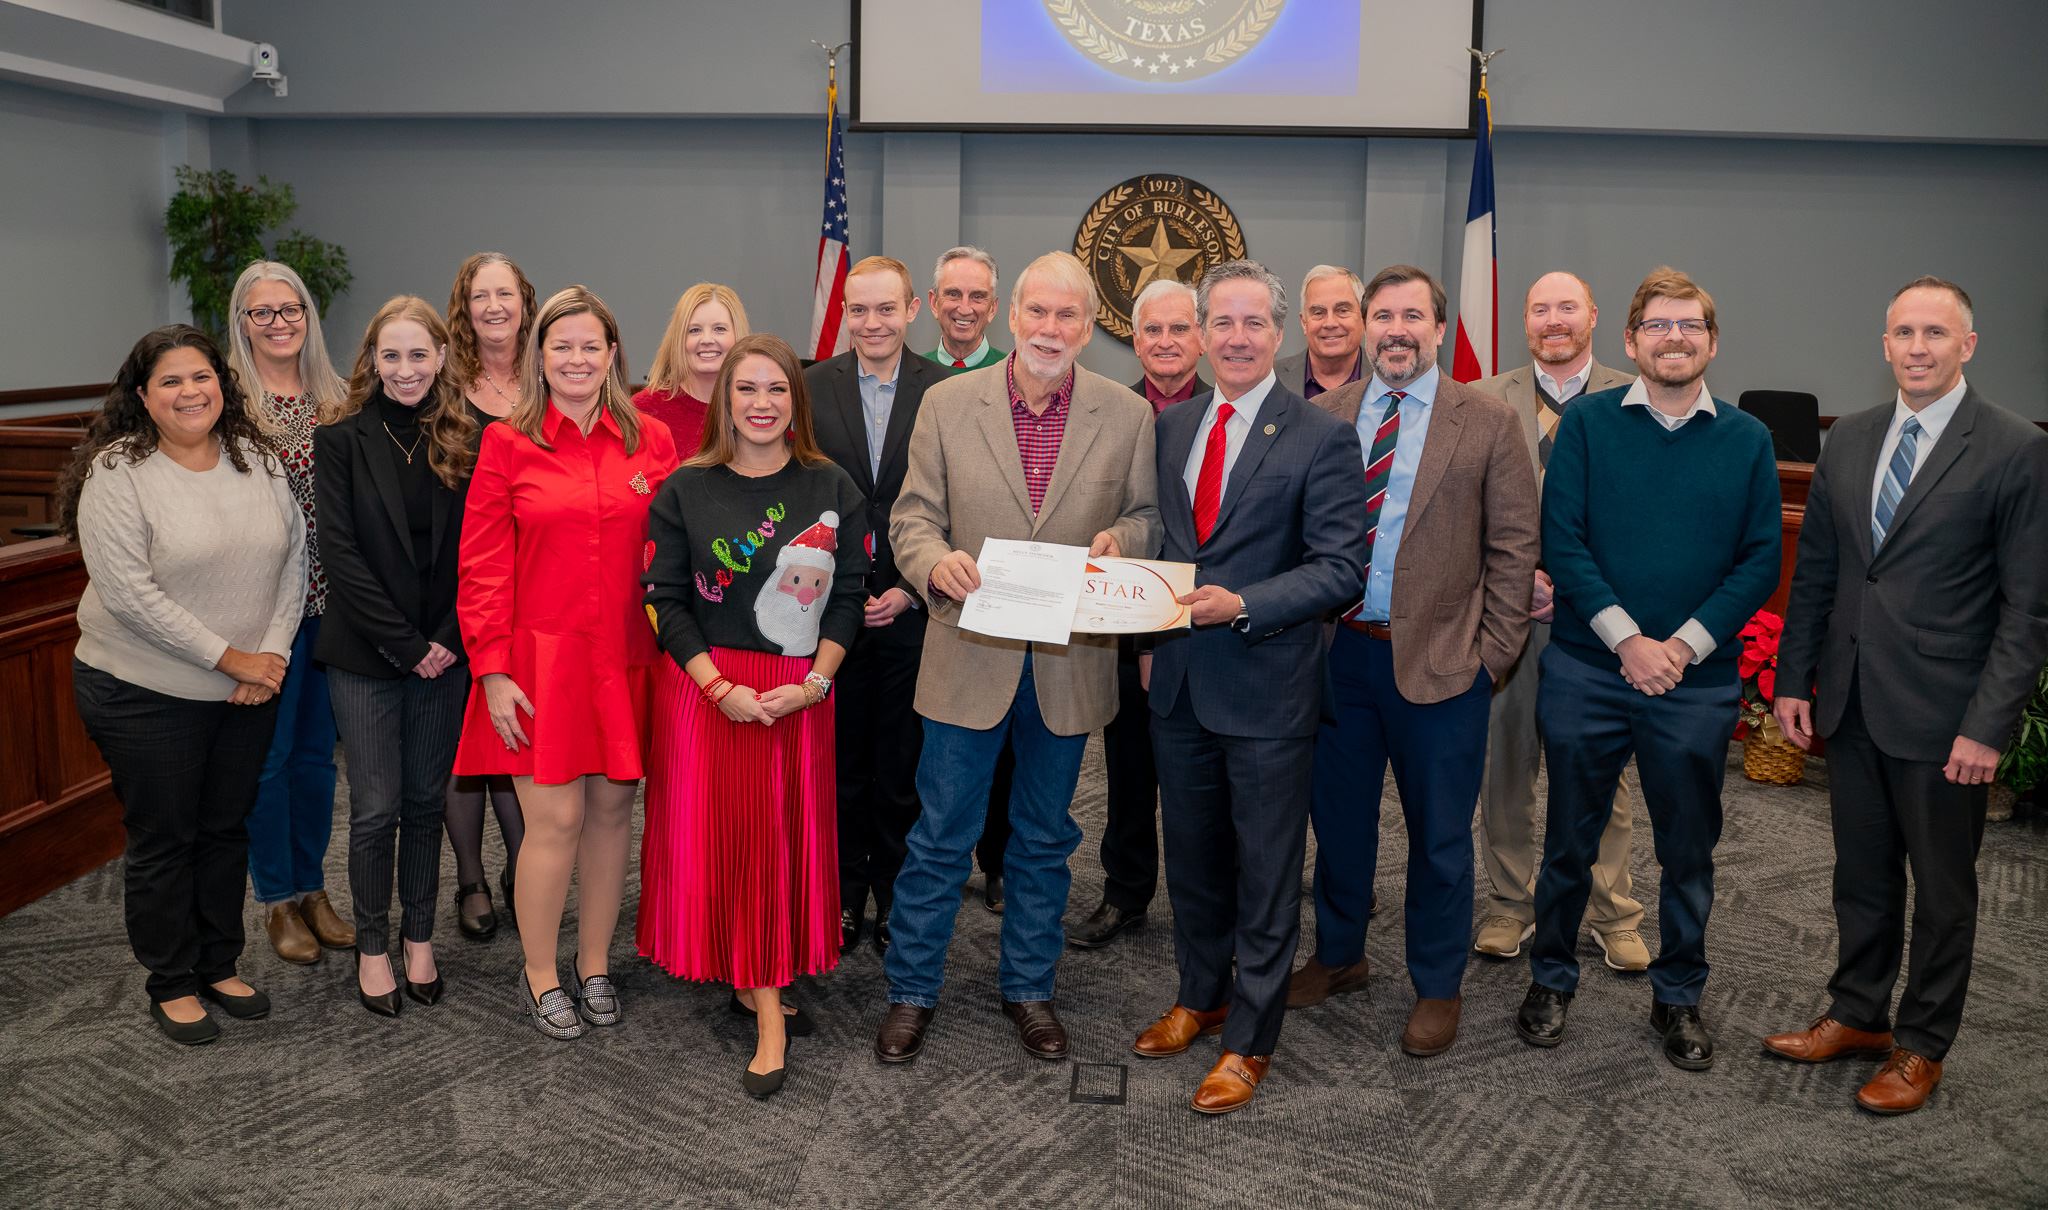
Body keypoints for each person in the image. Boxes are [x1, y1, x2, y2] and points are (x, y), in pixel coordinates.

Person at [1766, 277, 2048, 1114]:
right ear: (1884, 344)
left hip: (1946, 720)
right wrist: (1793, 680)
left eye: (1934, 332)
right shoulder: (1851, 438)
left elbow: (2027, 606)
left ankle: (1923, 1043)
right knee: (1860, 875)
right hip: (1851, 703)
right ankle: (1859, 1013)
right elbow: (1816, 571)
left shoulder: (2013, 447)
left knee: (1944, 889)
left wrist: (1988, 727)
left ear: (1967, 345)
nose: (1917, 347)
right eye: (1902, 332)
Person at [876, 251, 1160, 1064]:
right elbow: (913, 518)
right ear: (1013, 317)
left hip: (1069, 671)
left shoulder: (1124, 414)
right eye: (1037, 312)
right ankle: (911, 990)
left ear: (1087, 327)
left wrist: (1122, 544)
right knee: (939, 836)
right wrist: (932, 562)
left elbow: (1146, 519)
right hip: (968, 655)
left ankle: (1030, 987)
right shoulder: (946, 403)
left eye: (1067, 316)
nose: (1050, 329)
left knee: (1044, 838)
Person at [1515, 268, 1780, 1072]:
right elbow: (1563, 542)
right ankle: (1552, 977)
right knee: (1569, 839)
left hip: (1695, 682)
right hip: (1590, 668)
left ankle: (1679, 996)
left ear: (1711, 342)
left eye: (1689, 327)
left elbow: (1761, 558)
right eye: (1658, 327)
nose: (1673, 339)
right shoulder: (1589, 425)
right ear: (1631, 342)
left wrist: (1684, 646)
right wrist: (1630, 642)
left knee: (1689, 848)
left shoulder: (1747, 439)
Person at [1132, 258, 1368, 1114]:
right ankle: (1203, 996)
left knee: (1267, 873)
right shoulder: (1173, 425)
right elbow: (1163, 534)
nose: (1235, 338)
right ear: (1199, 334)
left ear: (1280, 334)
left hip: (1269, 689)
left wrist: (1246, 604)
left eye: (1253, 324)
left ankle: (1251, 1040)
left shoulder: (1320, 436)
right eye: (1219, 323)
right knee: (1191, 863)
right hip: (1180, 686)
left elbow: (1342, 569)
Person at [61, 325, 307, 1045]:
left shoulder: (255, 457)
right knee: (165, 837)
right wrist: (232, 658)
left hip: (249, 689)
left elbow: (292, 560)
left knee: (224, 828)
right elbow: (129, 593)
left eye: (200, 377)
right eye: (169, 381)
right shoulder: (119, 473)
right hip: (143, 691)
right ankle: (171, 979)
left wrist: (270, 655)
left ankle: (217, 961)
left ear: (221, 385)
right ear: (142, 397)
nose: (188, 392)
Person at [643, 333, 869, 1099]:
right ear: (724, 400)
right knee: (730, 841)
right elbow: (664, 601)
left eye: (777, 389)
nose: (762, 403)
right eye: (747, 389)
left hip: (798, 694)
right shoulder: (684, 488)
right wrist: (718, 689)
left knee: (776, 845)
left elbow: (849, 595)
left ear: (794, 401)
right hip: (713, 694)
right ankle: (766, 1008)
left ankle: (758, 984)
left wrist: (814, 684)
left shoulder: (830, 485)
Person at [453, 286, 680, 1040]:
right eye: (562, 346)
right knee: (553, 819)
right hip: (537, 665)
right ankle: (541, 971)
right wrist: (491, 671)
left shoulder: (652, 441)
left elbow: (677, 555)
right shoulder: (507, 444)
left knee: (614, 812)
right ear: (538, 357)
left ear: (613, 354)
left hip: (628, 657)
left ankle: (594, 964)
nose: (577, 359)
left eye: (592, 345)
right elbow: (482, 566)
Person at [1469, 272, 1649, 970]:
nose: (1554, 320)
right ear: (1525, 319)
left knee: (1603, 770)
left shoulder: (1633, 397)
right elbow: (1465, 513)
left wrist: (1572, 585)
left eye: (1566, 307)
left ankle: (1612, 910)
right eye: (1539, 308)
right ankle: (1511, 904)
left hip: (1599, 622)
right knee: (1503, 768)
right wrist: (1515, 583)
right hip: (1506, 618)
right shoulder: (1484, 399)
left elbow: (1638, 518)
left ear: (1594, 317)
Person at [317, 296, 479, 1017]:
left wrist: (445, 639)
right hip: (368, 655)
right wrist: (409, 646)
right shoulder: (342, 440)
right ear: (372, 361)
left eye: (420, 355)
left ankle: (420, 938)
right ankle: (374, 948)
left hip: (448, 652)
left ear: (442, 357)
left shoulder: (472, 439)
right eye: (392, 355)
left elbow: (482, 552)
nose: (407, 369)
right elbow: (342, 558)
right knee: (376, 809)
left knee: (424, 803)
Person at [803, 256, 951, 955]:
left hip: (918, 608)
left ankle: (896, 896)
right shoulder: (809, 388)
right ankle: (842, 896)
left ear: (912, 308)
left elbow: (962, 504)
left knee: (902, 767)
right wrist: (843, 591)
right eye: (858, 311)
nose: (871, 323)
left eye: (885, 309)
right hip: (828, 611)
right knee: (838, 767)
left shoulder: (952, 391)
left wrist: (913, 587)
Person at [1068, 277, 1209, 951]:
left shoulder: (1227, 412)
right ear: (1134, 337)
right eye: (1152, 330)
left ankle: (1204, 899)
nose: (1165, 342)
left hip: (1203, 626)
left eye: (1180, 329)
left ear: (1202, 337)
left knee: (1199, 777)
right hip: (1121, 630)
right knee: (1126, 773)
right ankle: (1125, 893)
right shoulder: (1107, 412)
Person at [223, 261, 353, 964]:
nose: (278, 323)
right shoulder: (228, 405)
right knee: (268, 763)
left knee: (316, 760)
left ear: (308, 317)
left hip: (332, 611)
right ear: (242, 324)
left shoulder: (340, 399)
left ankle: (312, 887)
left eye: (290, 310)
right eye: (262, 312)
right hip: (263, 616)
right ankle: (275, 899)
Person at [442, 251, 539, 940]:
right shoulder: (445, 386)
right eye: (481, 297)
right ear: (465, 308)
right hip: (457, 581)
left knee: (516, 735)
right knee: (460, 741)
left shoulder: (551, 375)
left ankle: (523, 865)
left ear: (525, 302)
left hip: (530, 587)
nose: (495, 307)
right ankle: (471, 877)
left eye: (506, 294)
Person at [636, 282, 749, 456]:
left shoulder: (757, 407)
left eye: (719, 329)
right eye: (694, 330)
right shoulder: (643, 410)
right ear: (679, 340)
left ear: (738, 336)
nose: (706, 339)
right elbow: (631, 480)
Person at [1272, 265, 1365, 401]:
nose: (1330, 323)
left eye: (1342, 310)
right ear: (1304, 323)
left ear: (1363, 317)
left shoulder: (1384, 379)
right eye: (1318, 312)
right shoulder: (1271, 378)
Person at [922, 246, 1006, 370]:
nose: (964, 309)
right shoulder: (912, 375)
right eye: (953, 294)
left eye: (977, 296)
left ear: (992, 309)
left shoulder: (1012, 374)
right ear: (934, 303)